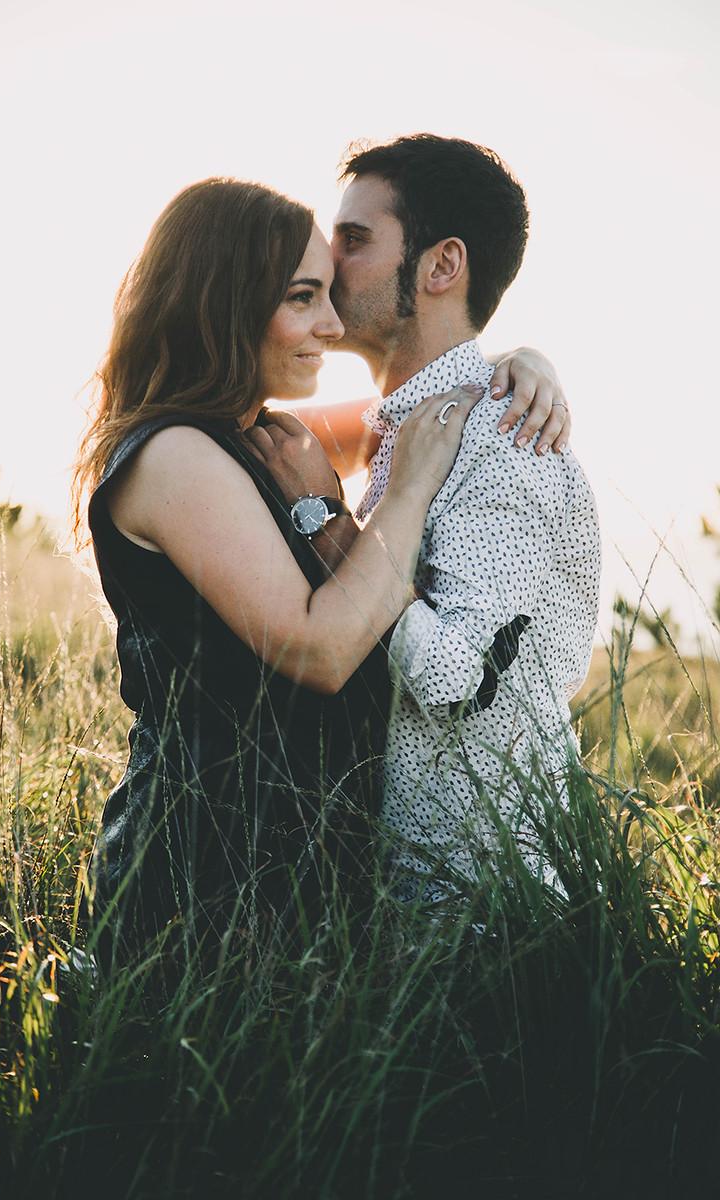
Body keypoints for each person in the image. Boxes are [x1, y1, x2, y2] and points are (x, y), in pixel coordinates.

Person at [72, 175, 570, 972]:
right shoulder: (176, 458)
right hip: (201, 880)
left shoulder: (261, 434)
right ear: (225, 301)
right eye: (304, 298)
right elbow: (321, 650)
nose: (331, 325)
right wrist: (404, 492)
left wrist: (517, 362)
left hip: (288, 879)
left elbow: (429, 403)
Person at [259, 135, 601, 908]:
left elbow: (460, 678)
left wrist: (331, 526)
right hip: (405, 898)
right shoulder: (411, 426)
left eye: (354, 239)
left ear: (442, 266)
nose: (326, 257)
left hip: (480, 914)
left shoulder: (507, 441)